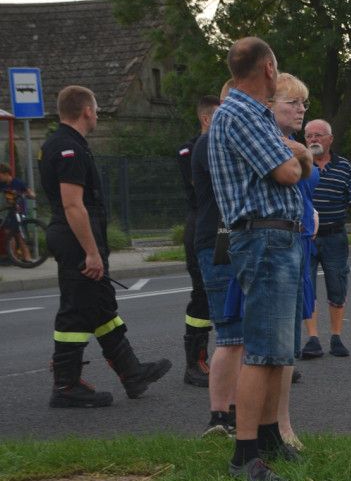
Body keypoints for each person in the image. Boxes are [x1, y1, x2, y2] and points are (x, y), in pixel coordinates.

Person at [208, 37, 311, 481]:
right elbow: (289, 172)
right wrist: (299, 155)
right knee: (263, 351)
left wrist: (296, 156)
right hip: (264, 237)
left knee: (277, 350)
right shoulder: (242, 113)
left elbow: (293, 166)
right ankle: (244, 455)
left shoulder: (252, 113)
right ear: (268, 67)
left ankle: (268, 437)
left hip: (276, 236)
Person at [41, 85, 172, 408]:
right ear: (86, 110)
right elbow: (73, 205)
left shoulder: (62, 144)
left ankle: (132, 372)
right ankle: (66, 385)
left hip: (74, 234)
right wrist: (91, 252)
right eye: (96, 109)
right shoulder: (69, 148)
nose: (98, 114)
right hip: (76, 238)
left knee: (100, 304)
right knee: (76, 310)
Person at [269, 72, 319, 450]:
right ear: (269, 105)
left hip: (298, 240)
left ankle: (279, 423)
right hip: (277, 242)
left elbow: (307, 181)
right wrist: (301, 153)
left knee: (288, 341)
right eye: (293, 102)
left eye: (304, 103)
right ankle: (276, 425)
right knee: (275, 342)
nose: (301, 109)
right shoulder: (271, 142)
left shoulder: (294, 143)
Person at [192, 86, 244, 437]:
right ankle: (220, 416)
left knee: (240, 335)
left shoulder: (221, 139)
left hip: (232, 240)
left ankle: (236, 410)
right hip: (219, 243)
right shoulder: (211, 142)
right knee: (230, 335)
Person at [299, 118, 351, 358]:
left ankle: (336, 337)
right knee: (306, 286)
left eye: (318, 135)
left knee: (337, 285)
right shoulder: (298, 165)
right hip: (305, 237)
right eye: (309, 136)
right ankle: (313, 339)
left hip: (335, 236)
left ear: (330, 139)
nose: (313, 139)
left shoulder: (344, 166)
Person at [177, 98, 219, 387]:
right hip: (201, 225)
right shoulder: (190, 149)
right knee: (202, 292)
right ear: (206, 119)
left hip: (221, 225)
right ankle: (195, 362)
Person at [1, 162, 35, 263]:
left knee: (19, 233)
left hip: (20, 209)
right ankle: (14, 256)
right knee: (9, 232)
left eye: (0, 175)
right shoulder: (2, 184)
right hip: (12, 210)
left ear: (6, 174)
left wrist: (28, 195)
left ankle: (26, 257)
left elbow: (31, 193)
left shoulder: (18, 182)